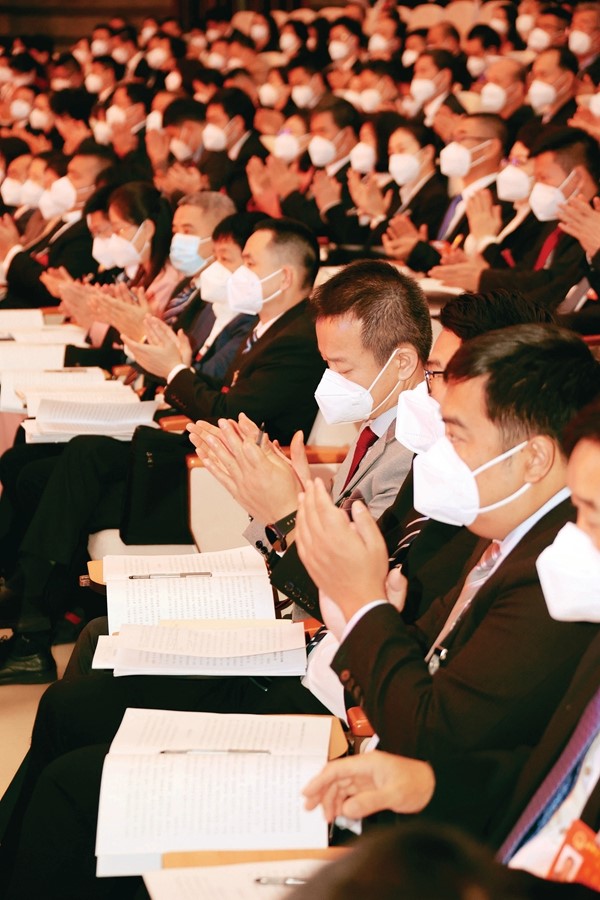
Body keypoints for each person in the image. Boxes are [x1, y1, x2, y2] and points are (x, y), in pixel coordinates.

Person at [301, 396, 600, 900]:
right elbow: (549, 778)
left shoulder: (543, 584)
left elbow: (435, 727)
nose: (571, 535)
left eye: (590, 515)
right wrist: (427, 785)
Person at [293, 324, 600, 760]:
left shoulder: (554, 571)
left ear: (534, 458)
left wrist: (365, 607)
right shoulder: (499, 530)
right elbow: (423, 654)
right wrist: (372, 614)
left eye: (455, 436)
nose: (439, 452)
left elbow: (431, 733)